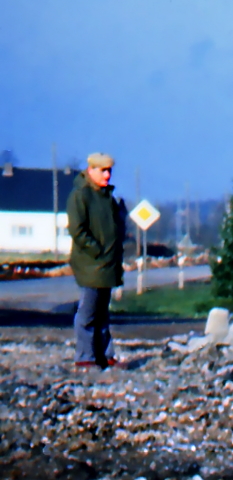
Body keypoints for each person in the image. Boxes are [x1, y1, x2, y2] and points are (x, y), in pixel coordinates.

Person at [67, 153, 127, 369]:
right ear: (91, 170)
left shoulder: (107, 197)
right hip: (91, 265)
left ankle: (105, 356)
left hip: (107, 265)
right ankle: (85, 357)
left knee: (102, 314)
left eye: (109, 170)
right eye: (103, 170)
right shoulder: (81, 195)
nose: (107, 175)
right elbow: (77, 229)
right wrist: (97, 251)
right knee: (88, 313)